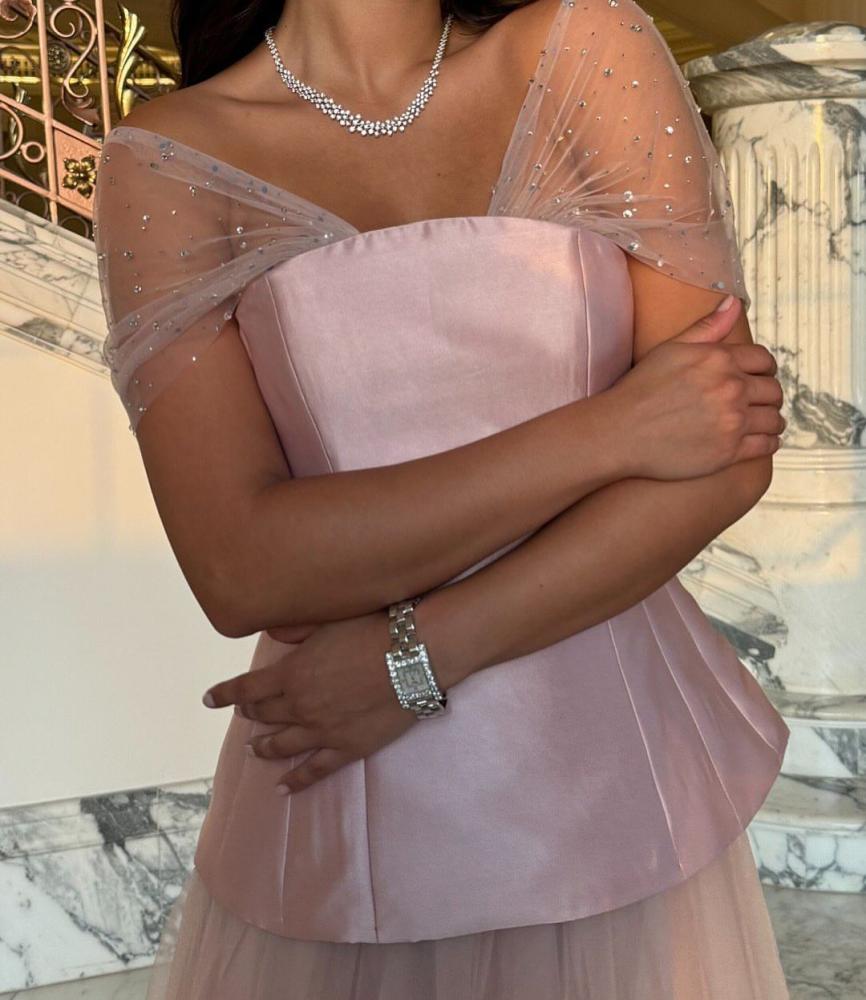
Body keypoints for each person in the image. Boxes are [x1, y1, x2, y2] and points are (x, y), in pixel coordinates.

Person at [92, 0, 792, 996]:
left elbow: (724, 446)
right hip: (348, 825)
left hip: (617, 794)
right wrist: (612, 431)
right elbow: (240, 567)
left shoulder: (588, 49)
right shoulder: (170, 159)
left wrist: (410, 664)